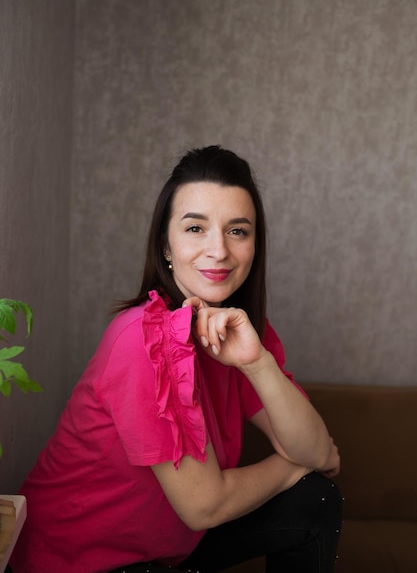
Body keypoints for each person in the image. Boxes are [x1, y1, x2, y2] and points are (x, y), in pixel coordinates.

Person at [10, 146, 342, 573]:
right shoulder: (142, 339)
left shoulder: (239, 329)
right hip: (81, 561)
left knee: (314, 499)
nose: (218, 250)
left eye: (237, 231)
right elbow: (203, 507)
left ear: (255, 246)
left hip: (168, 550)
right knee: (298, 483)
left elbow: (314, 449)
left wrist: (256, 363)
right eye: (195, 228)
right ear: (165, 245)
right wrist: (285, 468)